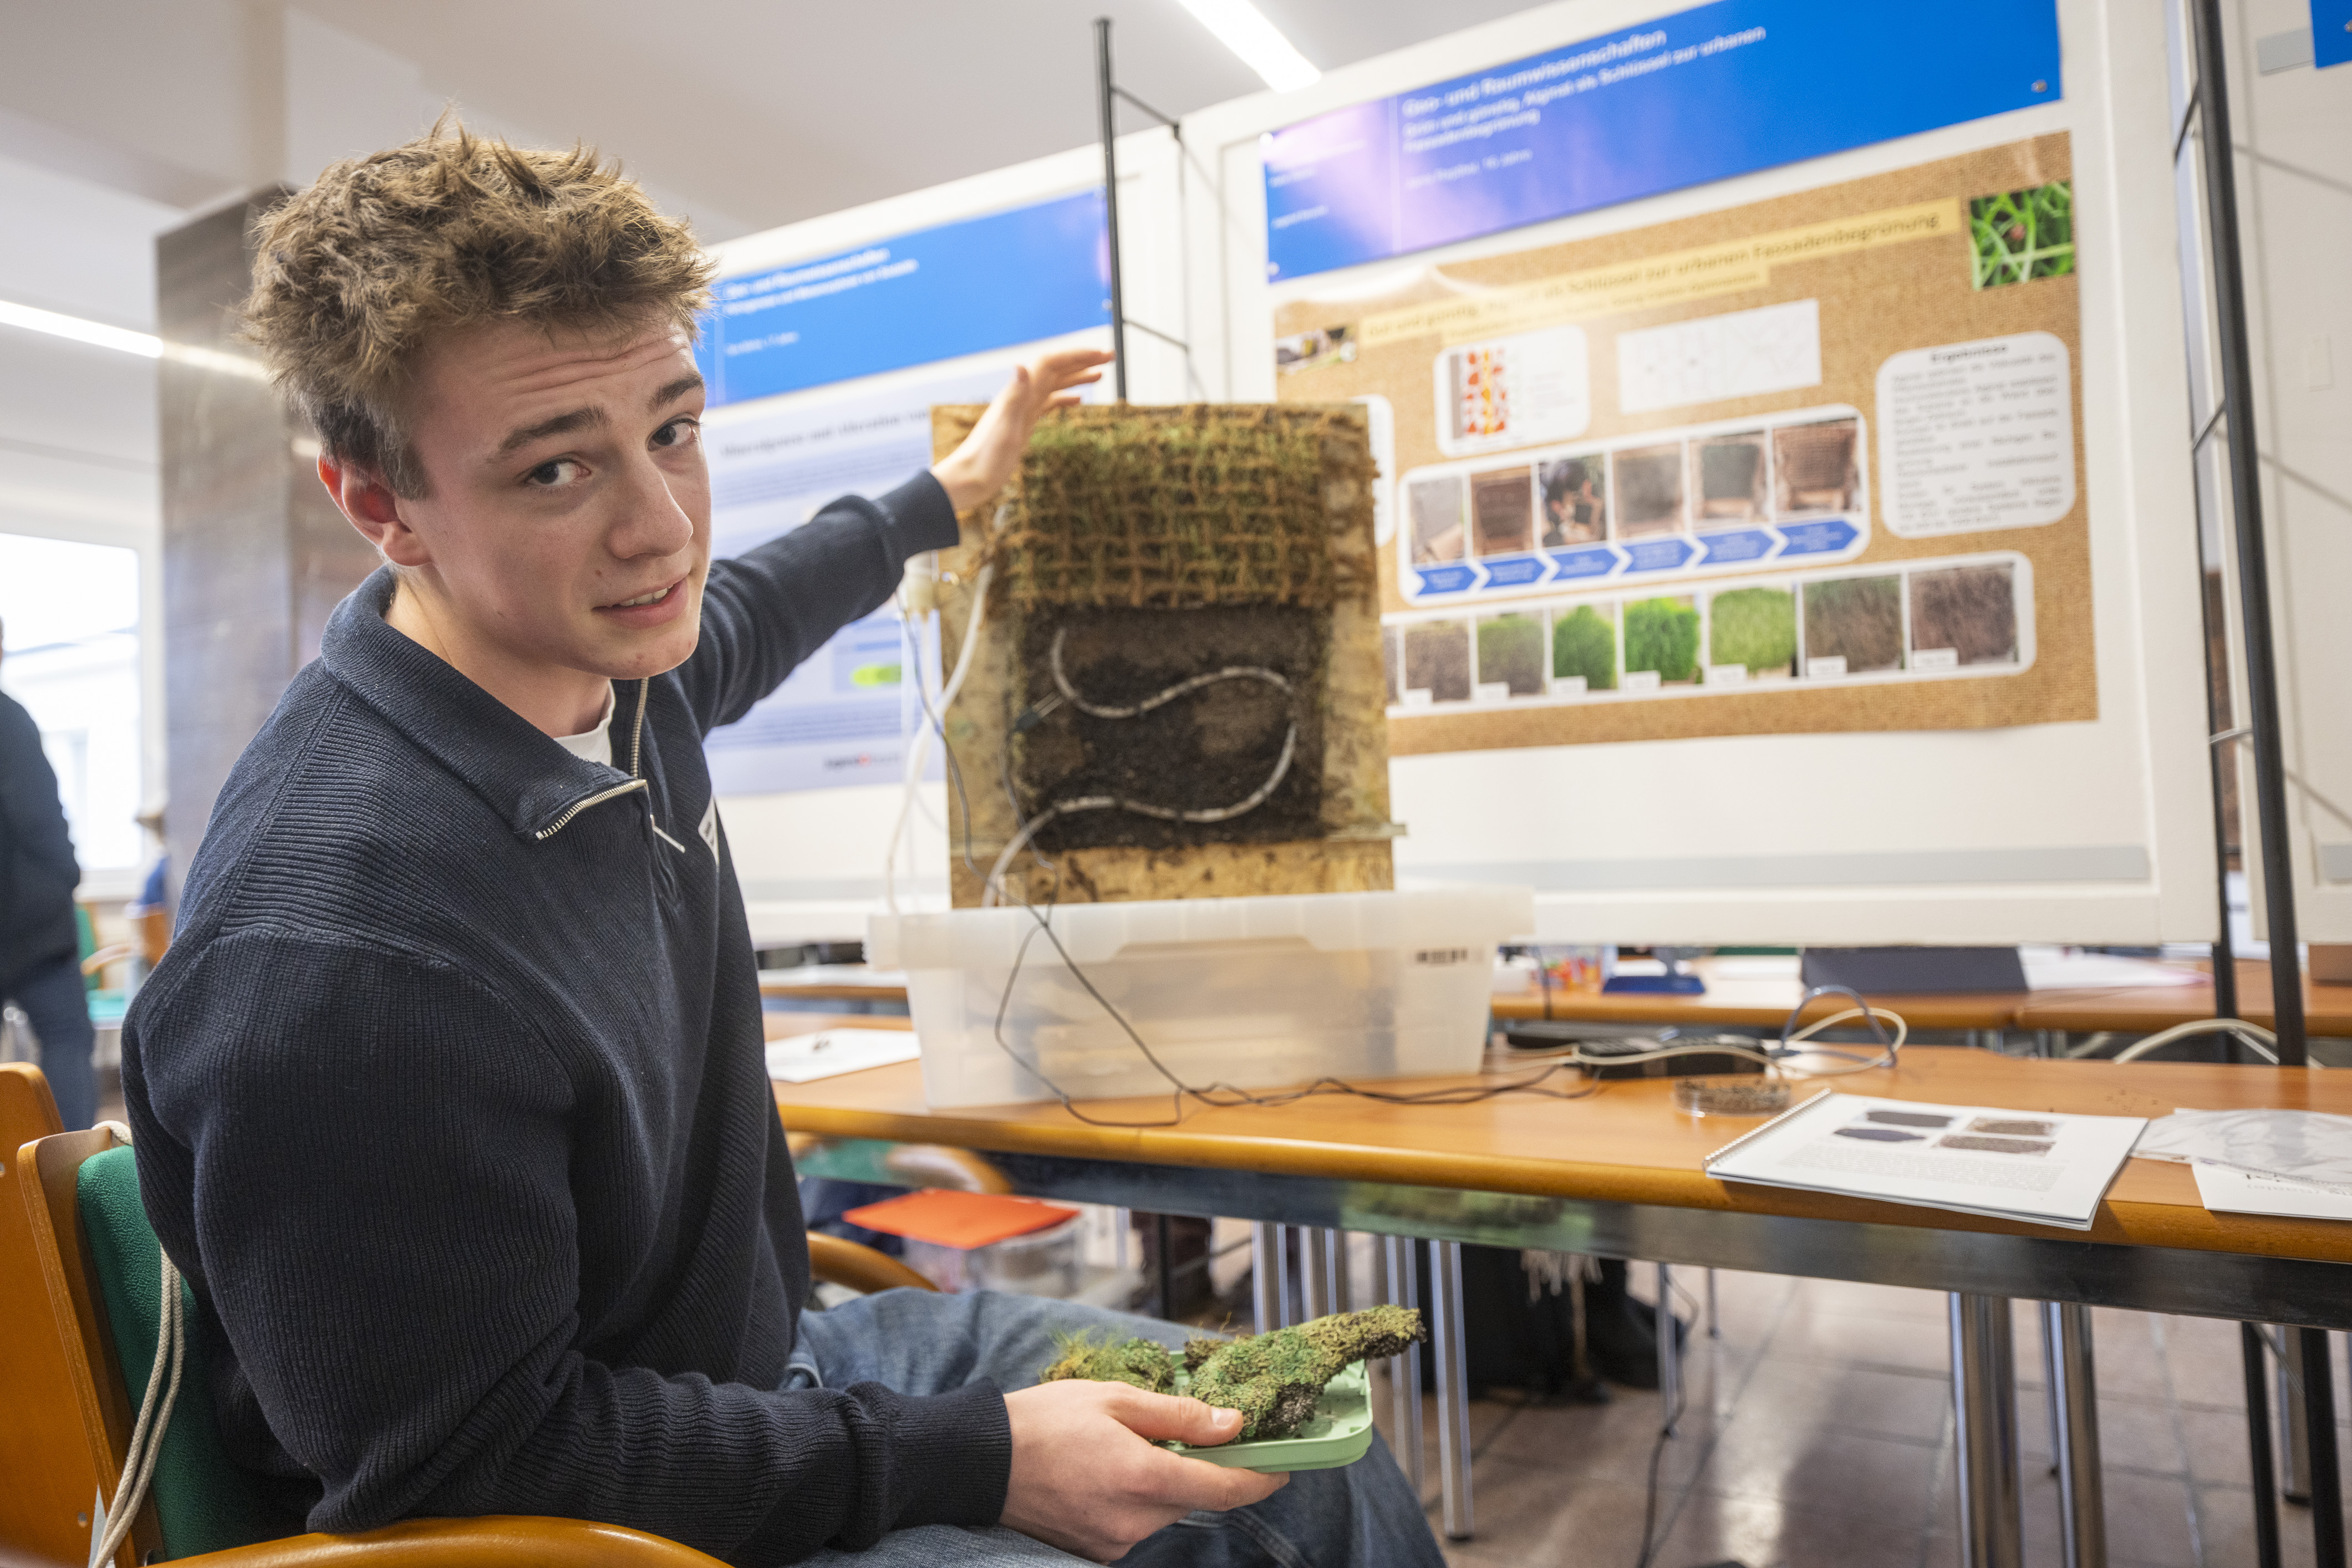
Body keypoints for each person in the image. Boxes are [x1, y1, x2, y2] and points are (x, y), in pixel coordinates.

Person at [122, 125, 1439, 1568]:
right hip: (592, 1522)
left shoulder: (610, 675)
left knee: (1311, 1454)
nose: (660, 530)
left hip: (775, 1374)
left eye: (673, 430)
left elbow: (755, 604)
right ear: (382, 505)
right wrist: (980, 1457)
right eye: (556, 470)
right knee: (1198, 1532)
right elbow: (465, 1467)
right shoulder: (337, 952)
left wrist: (947, 495)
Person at [1, 620, 98, 1130]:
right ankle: (67, 1166)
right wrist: (67, 873)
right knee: (66, 1037)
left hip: (28, 914)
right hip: (33, 921)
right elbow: (40, 815)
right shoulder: (8, 718)